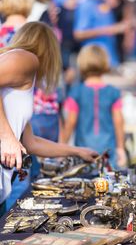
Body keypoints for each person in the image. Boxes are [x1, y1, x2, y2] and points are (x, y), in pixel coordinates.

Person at [0, 22, 98, 209]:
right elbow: (12, 138)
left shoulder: (20, 71)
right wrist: (7, 138)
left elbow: (31, 143)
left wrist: (77, 151)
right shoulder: (27, 59)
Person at [62, 44, 126, 169]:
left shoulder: (76, 92)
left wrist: (62, 147)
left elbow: (70, 122)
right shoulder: (113, 92)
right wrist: (121, 148)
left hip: (83, 152)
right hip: (108, 151)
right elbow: (119, 121)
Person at [73, 0, 130, 67]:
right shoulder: (87, 5)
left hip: (110, 59)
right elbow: (79, 33)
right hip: (95, 62)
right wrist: (109, 29)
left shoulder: (103, 3)